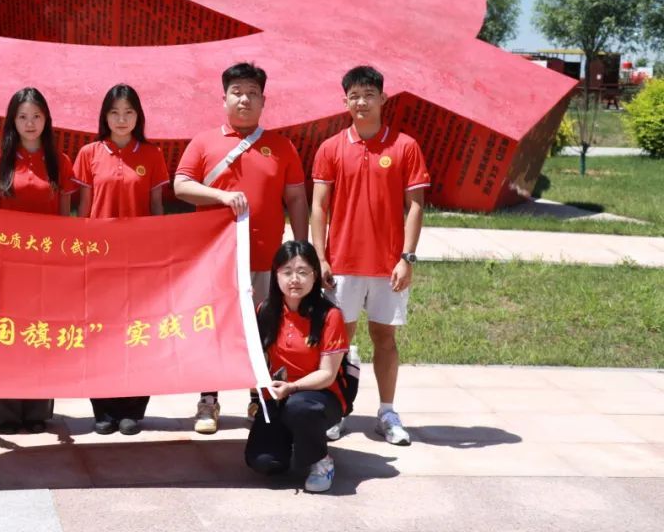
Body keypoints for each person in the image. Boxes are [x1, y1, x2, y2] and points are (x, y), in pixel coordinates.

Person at [174, 61, 308, 434]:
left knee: (264, 328)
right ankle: (208, 401)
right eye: (237, 92)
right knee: (214, 328)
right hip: (214, 260)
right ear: (224, 99)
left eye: (252, 93)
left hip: (265, 258)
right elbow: (181, 185)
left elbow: (296, 199)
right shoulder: (204, 142)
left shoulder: (281, 146)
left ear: (263, 100)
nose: (244, 99)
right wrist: (220, 196)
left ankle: (258, 397)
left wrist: (301, 249)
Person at [310, 65, 430, 446]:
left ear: (383, 98)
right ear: (345, 101)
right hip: (341, 265)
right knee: (337, 341)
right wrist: (320, 258)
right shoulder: (330, 148)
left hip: (387, 265)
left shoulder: (405, 146)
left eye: (368, 95)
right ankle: (336, 410)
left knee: (384, 338)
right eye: (354, 96)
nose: (361, 102)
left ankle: (387, 412)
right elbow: (318, 208)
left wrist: (407, 258)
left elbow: (415, 206)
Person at [73, 84, 169, 435]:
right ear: (105, 116)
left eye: (129, 112)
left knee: (137, 333)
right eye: (114, 112)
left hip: (139, 261)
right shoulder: (89, 153)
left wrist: (159, 255)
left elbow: (157, 208)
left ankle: (132, 409)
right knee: (100, 334)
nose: (122, 119)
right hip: (99, 262)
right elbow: (84, 209)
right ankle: (103, 408)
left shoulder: (153, 155)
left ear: (138, 116)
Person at [0, 87, 77, 434]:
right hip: (8, 264)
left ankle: (37, 410)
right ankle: (6, 412)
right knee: (7, 335)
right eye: (22, 117)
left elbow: (65, 216)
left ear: (46, 119)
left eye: (36, 116)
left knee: (40, 334)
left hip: (45, 265)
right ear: (12, 121)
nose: (30, 123)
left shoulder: (60, 161)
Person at [245, 240, 348, 493]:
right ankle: (296, 440)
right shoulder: (265, 310)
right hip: (279, 397)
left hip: (320, 397)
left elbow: (327, 374)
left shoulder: (330, 315)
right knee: (265, 463)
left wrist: (292, 387)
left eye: (303, 272)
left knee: (300, 408)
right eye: (287, 272)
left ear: (315, 275)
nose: (294, 279)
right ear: (276, 275)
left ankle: (321, 460)